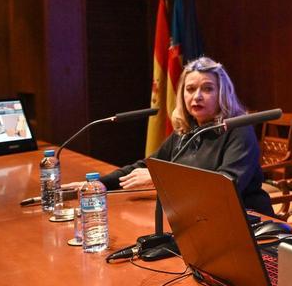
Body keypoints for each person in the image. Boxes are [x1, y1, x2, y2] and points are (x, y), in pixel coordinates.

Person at [96, 56, 272, 217]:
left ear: (222, 93)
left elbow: (225, 187)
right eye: (190, 89)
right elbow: (148, 166)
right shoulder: (186, 130)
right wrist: (99, 184)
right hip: (194, 216)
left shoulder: (239, 128)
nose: (197, 96)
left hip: (246, 220)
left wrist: (161, 179)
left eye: (207, 89)